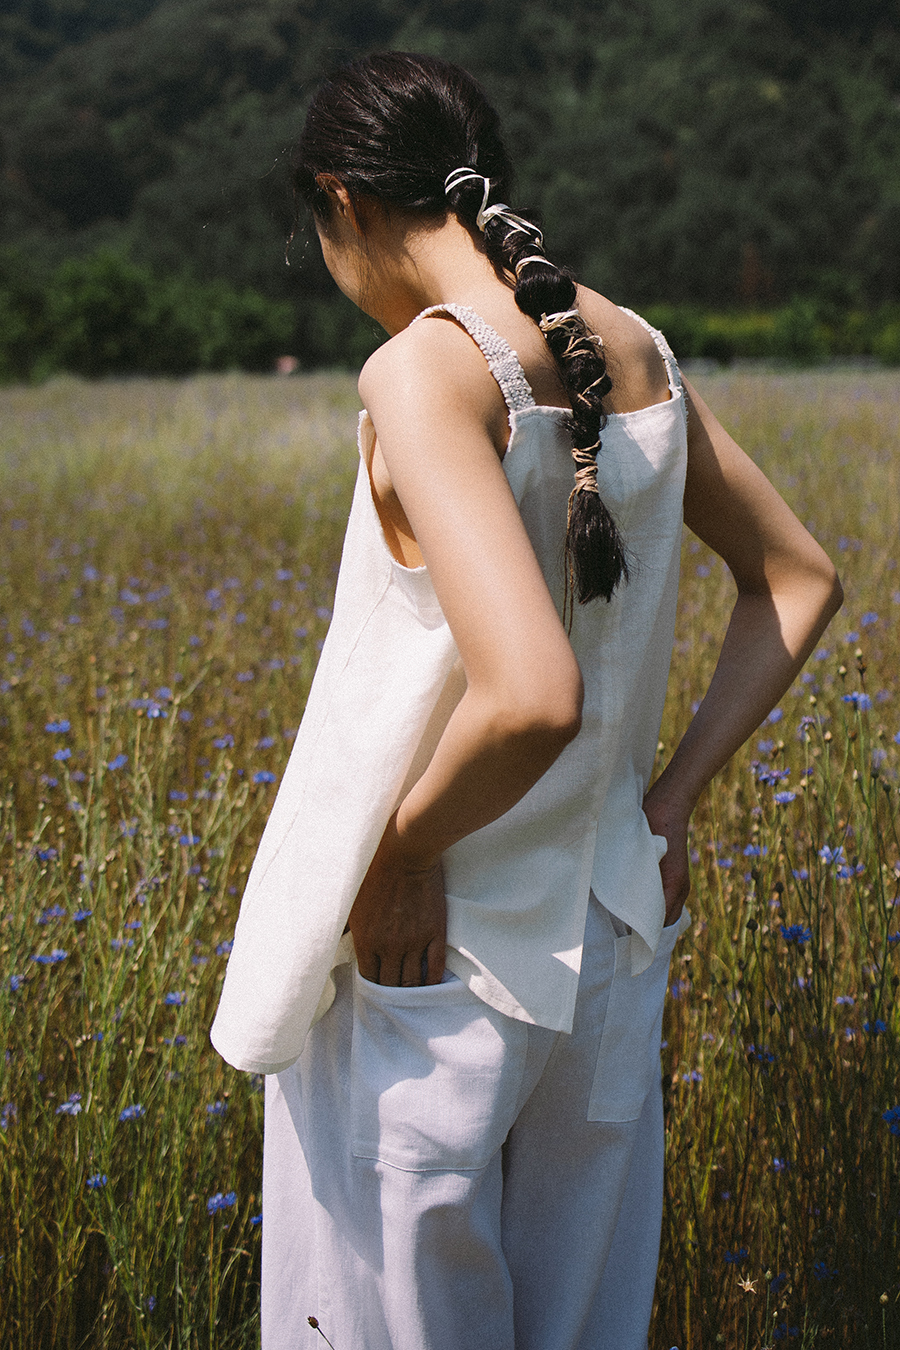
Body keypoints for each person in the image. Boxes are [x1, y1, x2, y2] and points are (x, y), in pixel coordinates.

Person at [211, 51, 842, 1350]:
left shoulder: (422, 372)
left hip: (432, 957)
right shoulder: (631, 348)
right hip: (608, 939)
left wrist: (399, 855)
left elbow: (533, 693)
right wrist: (669, 802)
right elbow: (800, 577)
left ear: (342, 198)